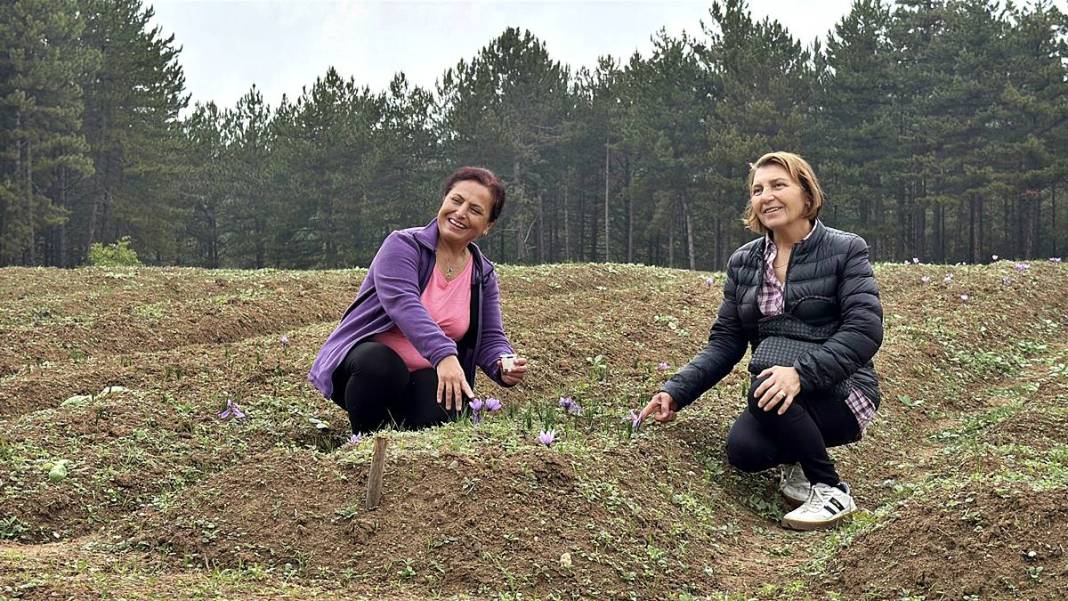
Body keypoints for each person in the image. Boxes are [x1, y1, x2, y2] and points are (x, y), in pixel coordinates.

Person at [639, 151, 883, 531]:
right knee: (745, 450)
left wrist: (799, 374)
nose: (765, 196)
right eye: (757, 190)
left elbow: (864, 331)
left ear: (806, 193)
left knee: (764, 389)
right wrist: (676, 391)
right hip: (780, 392)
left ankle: (831, 489)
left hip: (844, 390)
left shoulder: (845, 249)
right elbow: (726, 342)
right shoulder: (744, 262)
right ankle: (800, 463)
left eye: (778, 185)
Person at [308, 166, 528, 435]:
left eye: (475, 210)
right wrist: (445, 355)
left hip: (426, 373)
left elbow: (490, 337)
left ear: (487, 227)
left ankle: (403, 446)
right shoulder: (403, 245)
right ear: (444, 201)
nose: (460, 213)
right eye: (456, 201)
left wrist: (502, 364)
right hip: (365, 371)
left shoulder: (482, 273)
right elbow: (404, 304)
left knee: (450, 405)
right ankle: (365, 443)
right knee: (381, 365)